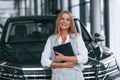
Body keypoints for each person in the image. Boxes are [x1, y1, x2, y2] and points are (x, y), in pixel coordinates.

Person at [41, 11, 88, 80]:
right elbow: (44, 61)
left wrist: (64, 58)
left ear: (71, 23)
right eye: (62, 19)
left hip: (75, 76)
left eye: (68, 20)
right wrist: (63, 64)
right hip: (58, 77)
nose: (64, 21)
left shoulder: (77, 37)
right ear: (58, 21)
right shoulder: (51, 39)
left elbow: (84, 58)